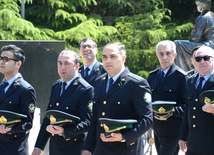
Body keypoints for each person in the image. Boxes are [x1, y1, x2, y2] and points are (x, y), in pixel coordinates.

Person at [82, 42, 153, 155]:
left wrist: (124, 137)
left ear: (123, 58)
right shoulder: (99, 82)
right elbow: (95, 118)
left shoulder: (136, 83)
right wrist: (88, 148)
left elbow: (146, 120)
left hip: (125, 149)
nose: (108, 60)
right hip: (101, 149)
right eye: (104, 57)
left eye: (113, 56)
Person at [32, 50, 94, 155]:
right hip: (55, 147)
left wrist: (64, 131)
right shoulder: (56, 86)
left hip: (74, 148)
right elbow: (48, 118)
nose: (63, 67)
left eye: (67, 63)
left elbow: (87, 123)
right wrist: (38, 147)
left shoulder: (85, 89)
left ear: (77, 66)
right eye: (60, 63)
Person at [147, 40, 187, 155]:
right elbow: (148, 102)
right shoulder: (152, 76)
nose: (164, 57)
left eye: (168, 53)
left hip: (173, 131)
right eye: (161, 54)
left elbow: (186, 106)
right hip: (157, 130)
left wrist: (170, 112)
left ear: (174, 55)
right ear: (157, 55)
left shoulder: (181, 77)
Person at [0, 44, 36, 155]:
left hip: (14, 149)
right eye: (1, 58)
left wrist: (9, 128)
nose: (1, 62)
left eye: (6, 59)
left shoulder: (26, 90)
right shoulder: (1, 87)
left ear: (18, 64)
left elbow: (28, 123)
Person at [179, 46, 214, 155]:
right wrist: (183, 136)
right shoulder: (191, 80)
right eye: (198, 59)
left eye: (206, 58)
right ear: (193, 61)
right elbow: (188, 110)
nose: (202, 62)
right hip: (193, 143)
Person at [174, 0, 214, 71]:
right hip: (211, 43)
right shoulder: (211, 14)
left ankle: (183, 70)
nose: (197, 6)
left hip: (206, 44)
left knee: (177, 43)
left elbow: (195, 38)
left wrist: (193, 33)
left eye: (198, 4)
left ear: (202, 5)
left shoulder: (202, 17)